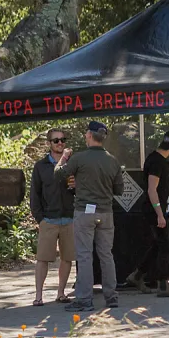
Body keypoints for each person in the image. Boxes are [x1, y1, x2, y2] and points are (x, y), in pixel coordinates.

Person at [55, 121, 125, 312]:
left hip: (85, 212)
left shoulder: (79, 158)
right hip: (106, 212)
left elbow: (59, 174)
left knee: (84, 255)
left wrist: (64, 158)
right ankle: (111, 296)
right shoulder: (113, 160)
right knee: (106, 255)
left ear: (89, 135)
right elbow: (119, 190)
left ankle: (85, 299)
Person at [132, 128, 169, 298]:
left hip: (157, 209)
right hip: (155, 210)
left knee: (158, 245)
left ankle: (138, 275)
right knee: (165, 247)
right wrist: (160, 214)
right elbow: (151, 189)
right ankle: (163, 285)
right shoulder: (157, 162)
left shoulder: (157, 160)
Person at [29, 127, 74, 306]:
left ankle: (61, 293)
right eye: (56, 140)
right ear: (49, 143)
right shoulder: (40, 166)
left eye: (63, 140)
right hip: (48, 218)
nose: (60, 143)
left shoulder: (72, 163)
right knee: (42, 259)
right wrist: (40, 218)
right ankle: (38, 296)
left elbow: (81, 188)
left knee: (67, 258)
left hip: (69, 218)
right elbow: (35, 194)